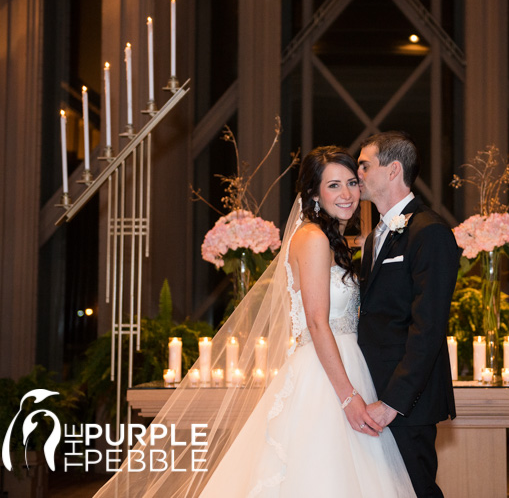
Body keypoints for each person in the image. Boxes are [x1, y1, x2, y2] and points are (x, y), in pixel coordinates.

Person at [93, 147, 414, 497]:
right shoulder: (313, 238)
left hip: (345, 364)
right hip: (327, 378)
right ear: (314, 193)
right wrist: (348, 397)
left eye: (352, 182)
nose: (348, 194)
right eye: (334, 185)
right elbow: (317, 323)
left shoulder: (330, 240)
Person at [357, 131, 460, 497]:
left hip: (405, 403)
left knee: (415, 491)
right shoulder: (375, 237)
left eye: (364, 165)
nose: (358, 175)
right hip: (371, 391)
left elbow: (428, 328)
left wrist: (393, 403)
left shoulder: (430, 232)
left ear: (393, 169)